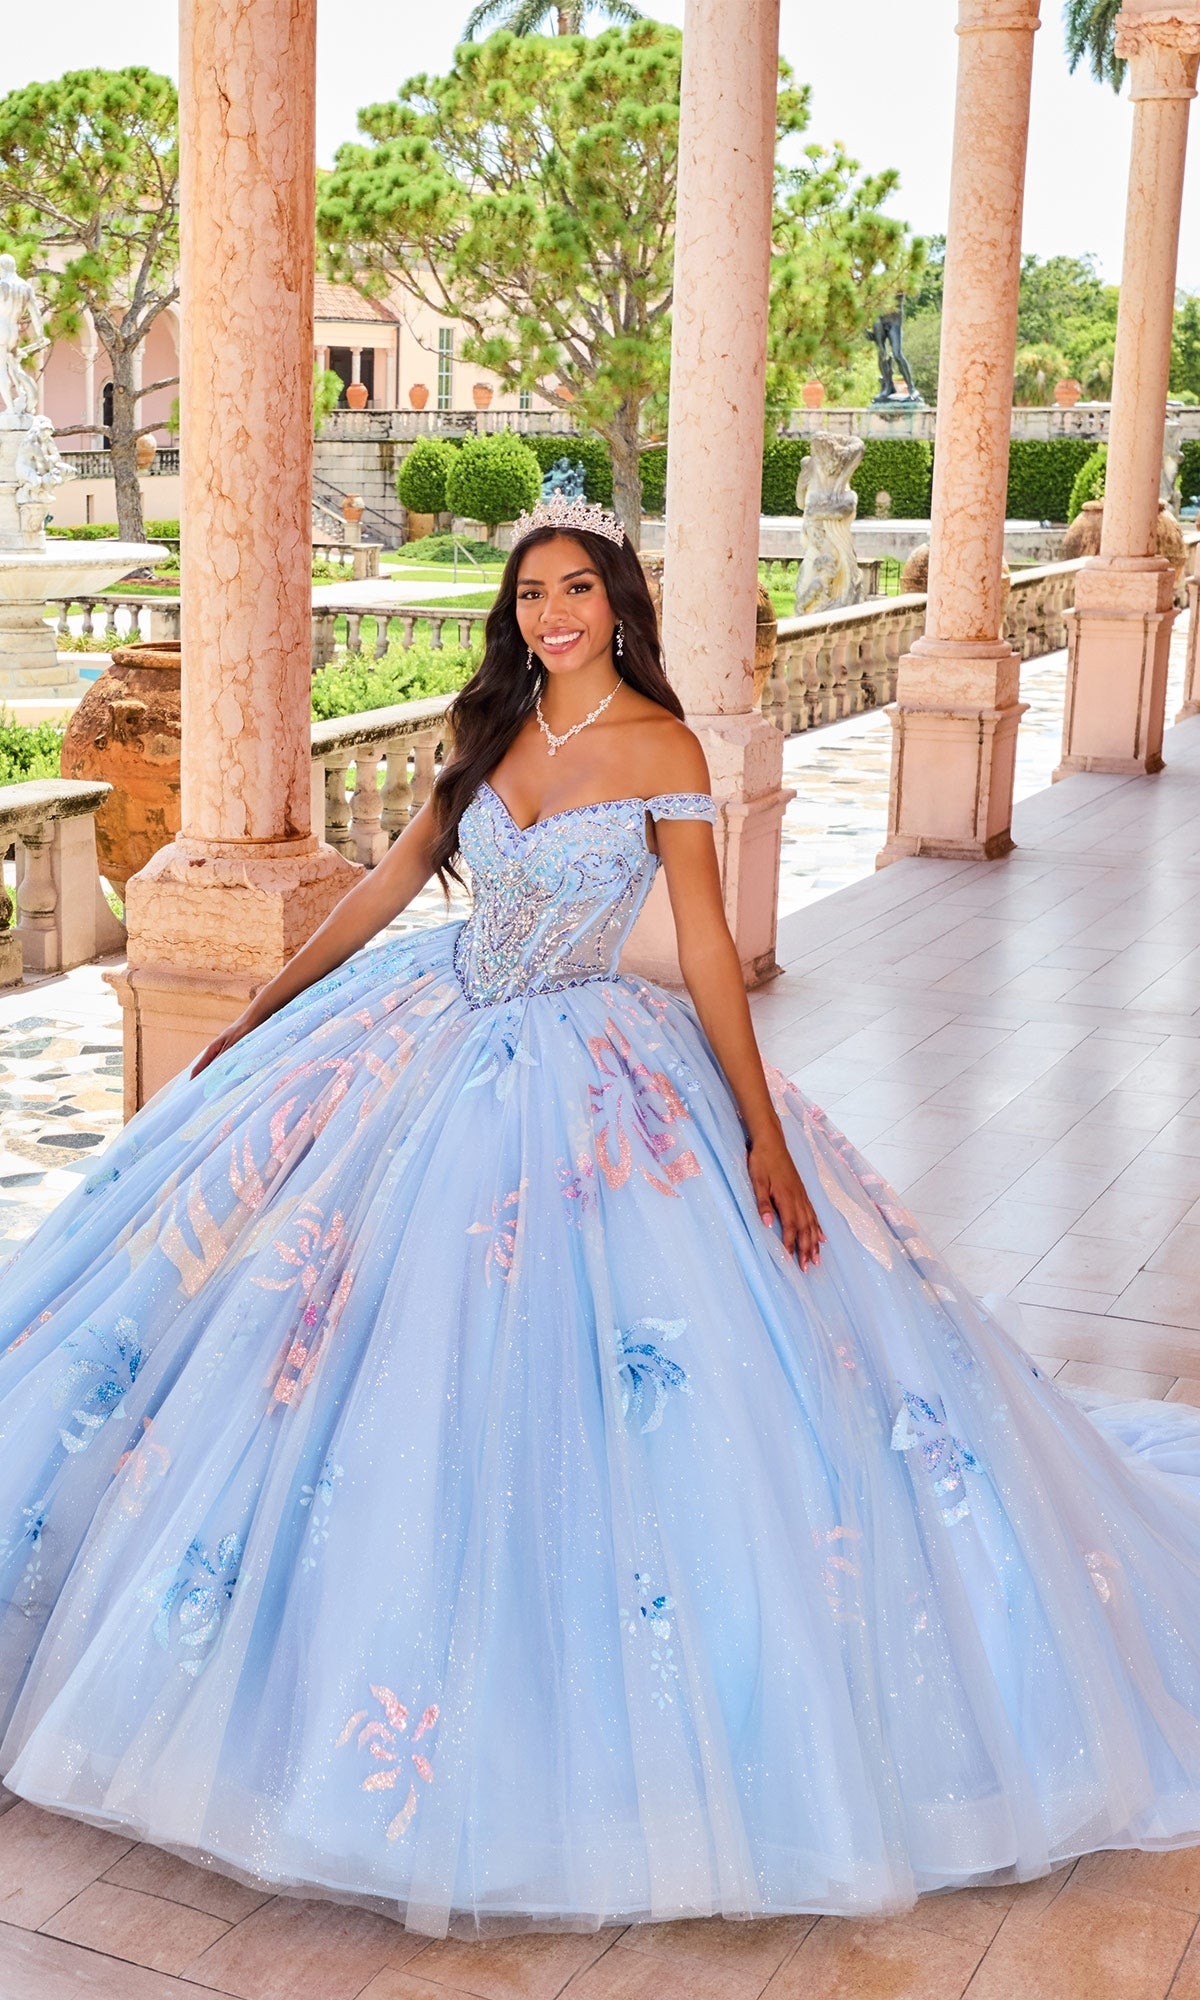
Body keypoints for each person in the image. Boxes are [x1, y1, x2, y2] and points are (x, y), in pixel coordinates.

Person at [3, 493, 1200, 1941]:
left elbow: (704, 941)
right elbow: (392, 883)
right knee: (313, 1321)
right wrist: (267, 1004)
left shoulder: (662, 749)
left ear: (618, 605)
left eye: (575, 590)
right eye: (531, 594)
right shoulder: (489, 728)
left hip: (589, 1058)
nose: (551, 614)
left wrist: (764, 1133)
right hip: (428, 1024)